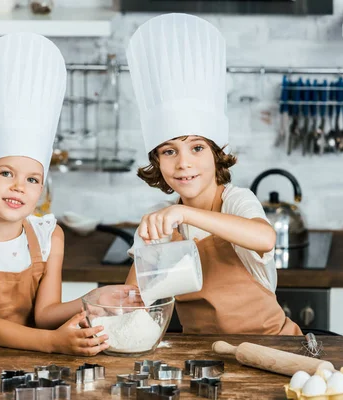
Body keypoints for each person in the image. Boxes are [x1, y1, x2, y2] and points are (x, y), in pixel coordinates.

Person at [0, 33, 134, 355]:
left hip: (32, 359)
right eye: (6, 173)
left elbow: (45, 314)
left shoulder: (50, 237)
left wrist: (94, 299)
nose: (19, 187)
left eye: (33, 179)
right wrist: (54, 342)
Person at [124, 13, 302, 335]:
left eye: (197, 148)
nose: (183, 163)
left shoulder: (236, 201)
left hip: (273, 350)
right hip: (203, 361)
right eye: (169, 151)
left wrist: (184, 213)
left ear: (216, 154)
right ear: (157, 162)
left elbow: (264, 237)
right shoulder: (160, 224)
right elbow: (134, 301)